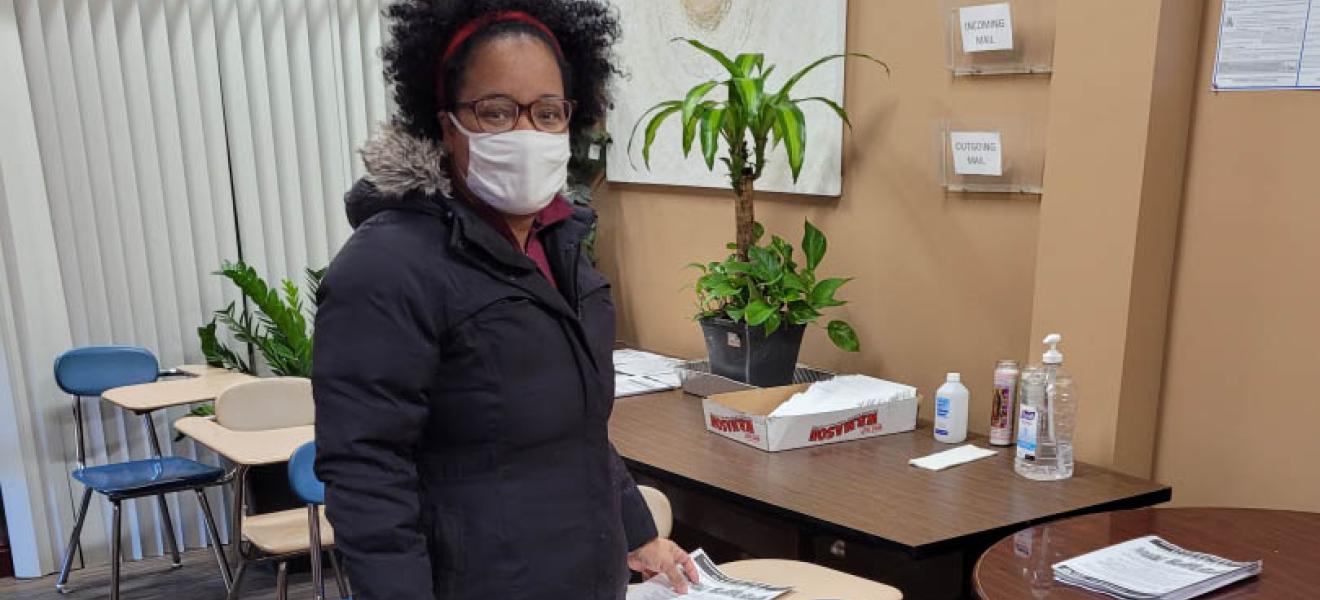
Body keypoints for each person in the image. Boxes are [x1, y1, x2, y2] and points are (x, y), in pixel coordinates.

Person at [311, 1, 699, 599]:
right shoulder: (386, 268)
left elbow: (576, 432)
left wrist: (636, 532)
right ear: (445, 123)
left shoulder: (562, 246)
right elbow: (368, 477)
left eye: (547, 112)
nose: (526, 132)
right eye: (496, 111)